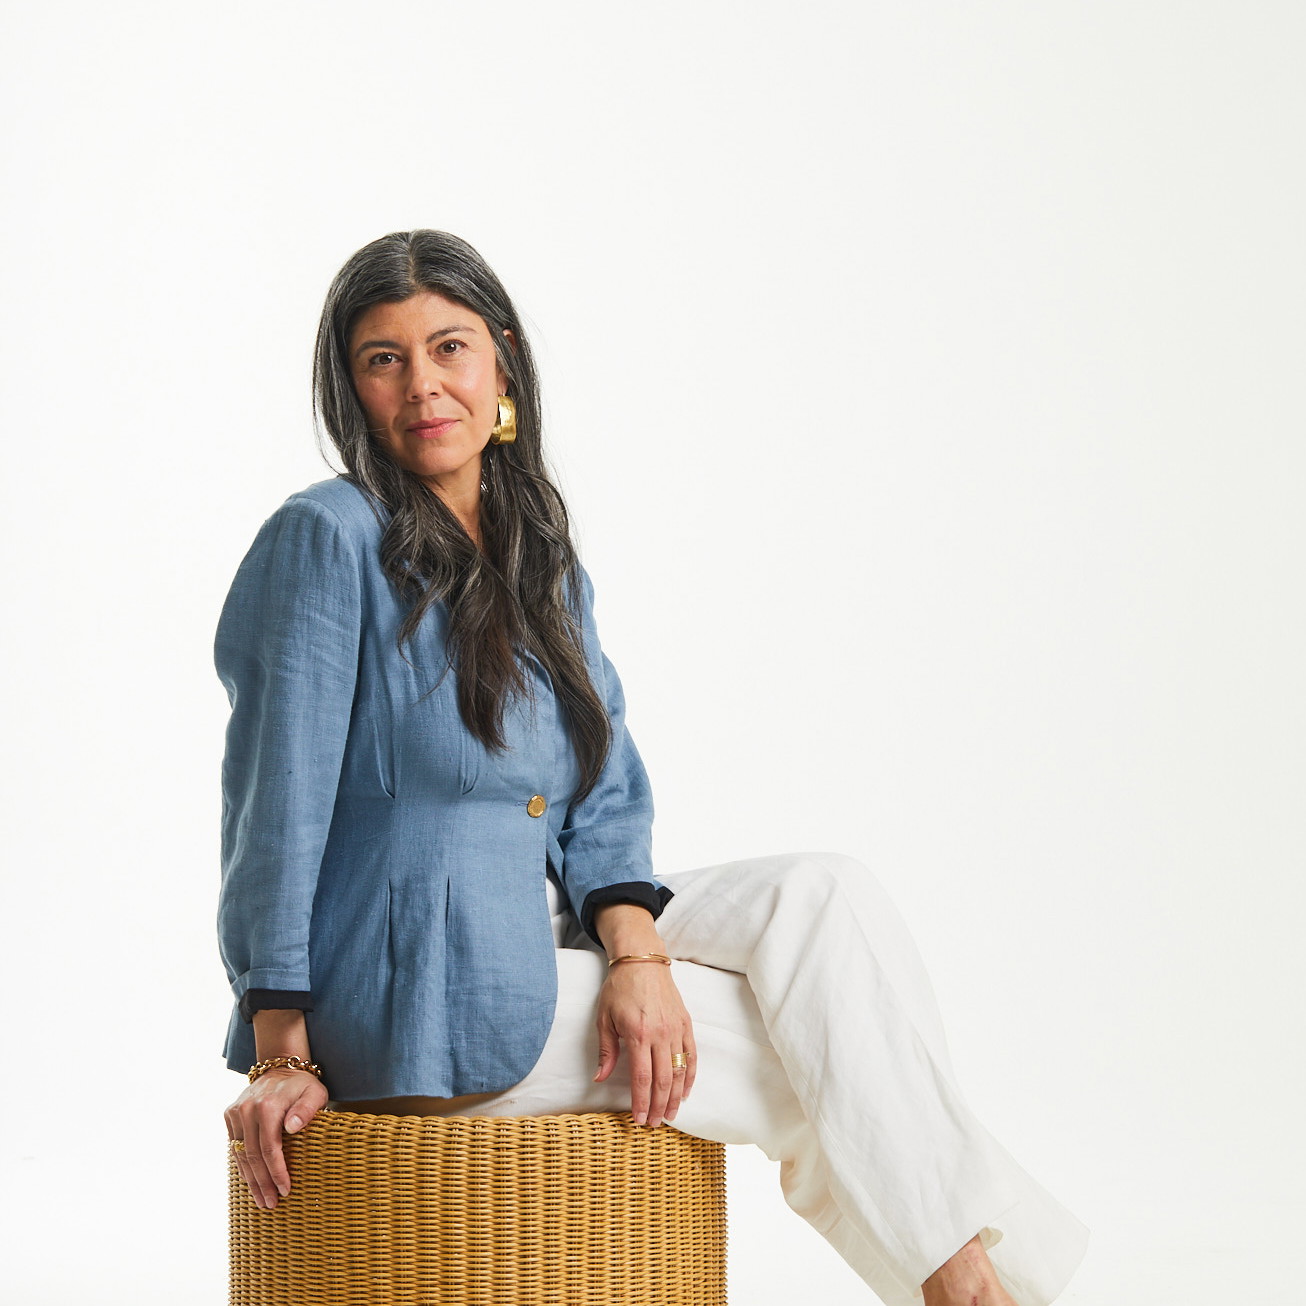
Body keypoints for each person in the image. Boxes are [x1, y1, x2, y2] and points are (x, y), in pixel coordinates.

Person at [217, 229, 1088, 1306]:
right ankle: (979, 1291)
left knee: (820, 896)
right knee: (803, 1052)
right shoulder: (324, 537)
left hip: (543, 923)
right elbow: (275, 802)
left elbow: (601, 782)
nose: (423, 385)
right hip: (412, 991)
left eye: (448, 347)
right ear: (351, 387)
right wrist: (279, 1047)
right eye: (382, 358)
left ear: (499, 359)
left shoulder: (537, 552)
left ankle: (976, 1290)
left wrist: (637, 955)